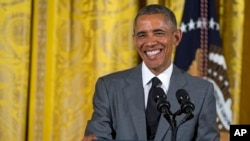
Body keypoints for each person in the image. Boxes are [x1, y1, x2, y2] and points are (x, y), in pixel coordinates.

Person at [82, 4, 219, 141]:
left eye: (158, 33)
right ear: (135, 41)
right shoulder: (109, 87)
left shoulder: (201, 91)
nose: (150, 42)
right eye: (142, 35)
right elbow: (97, 137)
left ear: (176, 37)